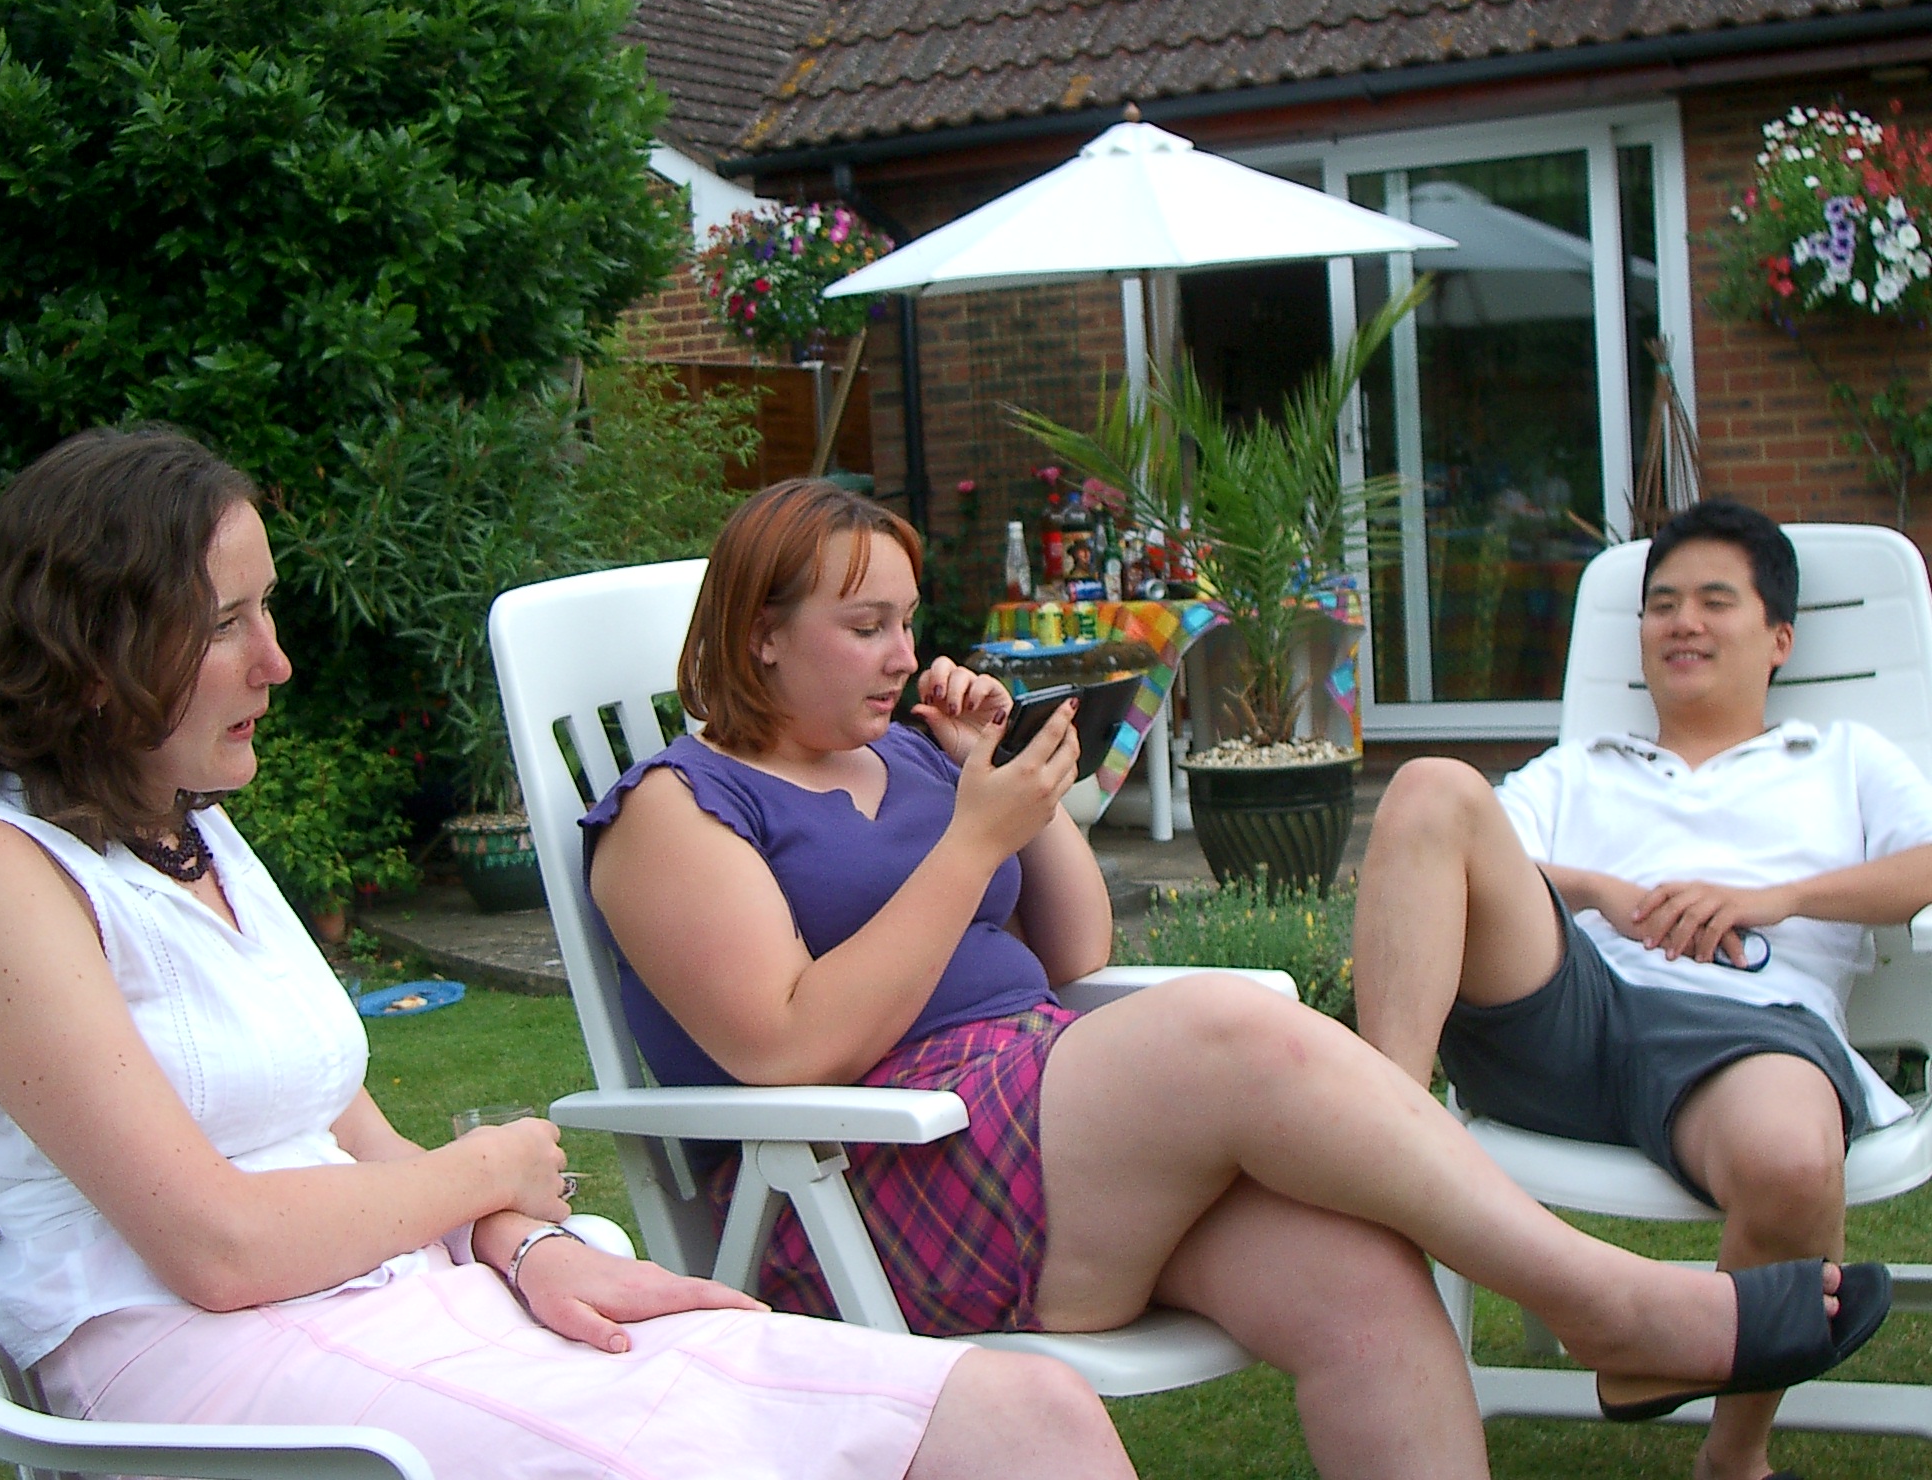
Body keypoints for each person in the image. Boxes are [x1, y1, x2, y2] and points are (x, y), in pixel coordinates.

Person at [0, 430, 1142, 1480]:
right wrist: (485, 1169)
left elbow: (345, 1135)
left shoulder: (191, 833)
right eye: (226, 623)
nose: (277, 660)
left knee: (1025, 1414)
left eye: (265, 610)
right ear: (89, 653)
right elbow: (218, 1248)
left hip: (396, 1294)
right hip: (209, 1367)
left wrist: (528, 1245)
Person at [583, 479, 1891, 1480]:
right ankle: (1608, 1305)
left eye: (904, 624)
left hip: (1040, 1130)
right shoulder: (676, 812)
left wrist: (1005, 791)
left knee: (1364, 1284)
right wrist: (971, 844)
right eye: (864, 626)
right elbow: (785, 1046)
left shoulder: (914, 759)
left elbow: (1076, 954)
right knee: (1224, 1024)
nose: (898, 654)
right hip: (861, 1184)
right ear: (759, 638)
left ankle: (1613, 1317)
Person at [1350, 498, 1932, 1480]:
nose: (1681, 623)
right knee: (1428, 789)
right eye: (1661, 604)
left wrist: (1777, 897)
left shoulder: (1841, 759)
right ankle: (1374, 1150)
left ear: (1778, 638)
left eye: (1714, 601)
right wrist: (1598, 893)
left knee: (1793, 1162)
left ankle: (1732, 1459)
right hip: (1567, 1014)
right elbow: (1442, 863)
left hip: (1746, 1032)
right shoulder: (1578, 769)